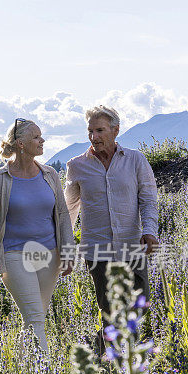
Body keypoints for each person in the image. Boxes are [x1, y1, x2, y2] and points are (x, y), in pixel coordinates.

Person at [64, 105, 159, 357]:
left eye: (100, 130)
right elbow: (69, 209)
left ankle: (100, 344)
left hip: (132, 245)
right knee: (109, 307)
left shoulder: (136, 160)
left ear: (115, 130)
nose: (94, 136)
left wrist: (150, 231)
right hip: (97, 250)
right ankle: (114, 363)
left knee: (141, 302)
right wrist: (64, 247)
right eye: (90, 131)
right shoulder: (77, 166)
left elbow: (149, 199)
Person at [0, 119, 74, 352]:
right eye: (36, 137)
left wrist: (69, 252)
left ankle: (23, 372)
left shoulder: (50, 174)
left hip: (49, 255)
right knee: (35, 317)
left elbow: (62, 215)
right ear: (20, 143)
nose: (42, 141)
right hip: (13, 256)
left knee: (34, 318)